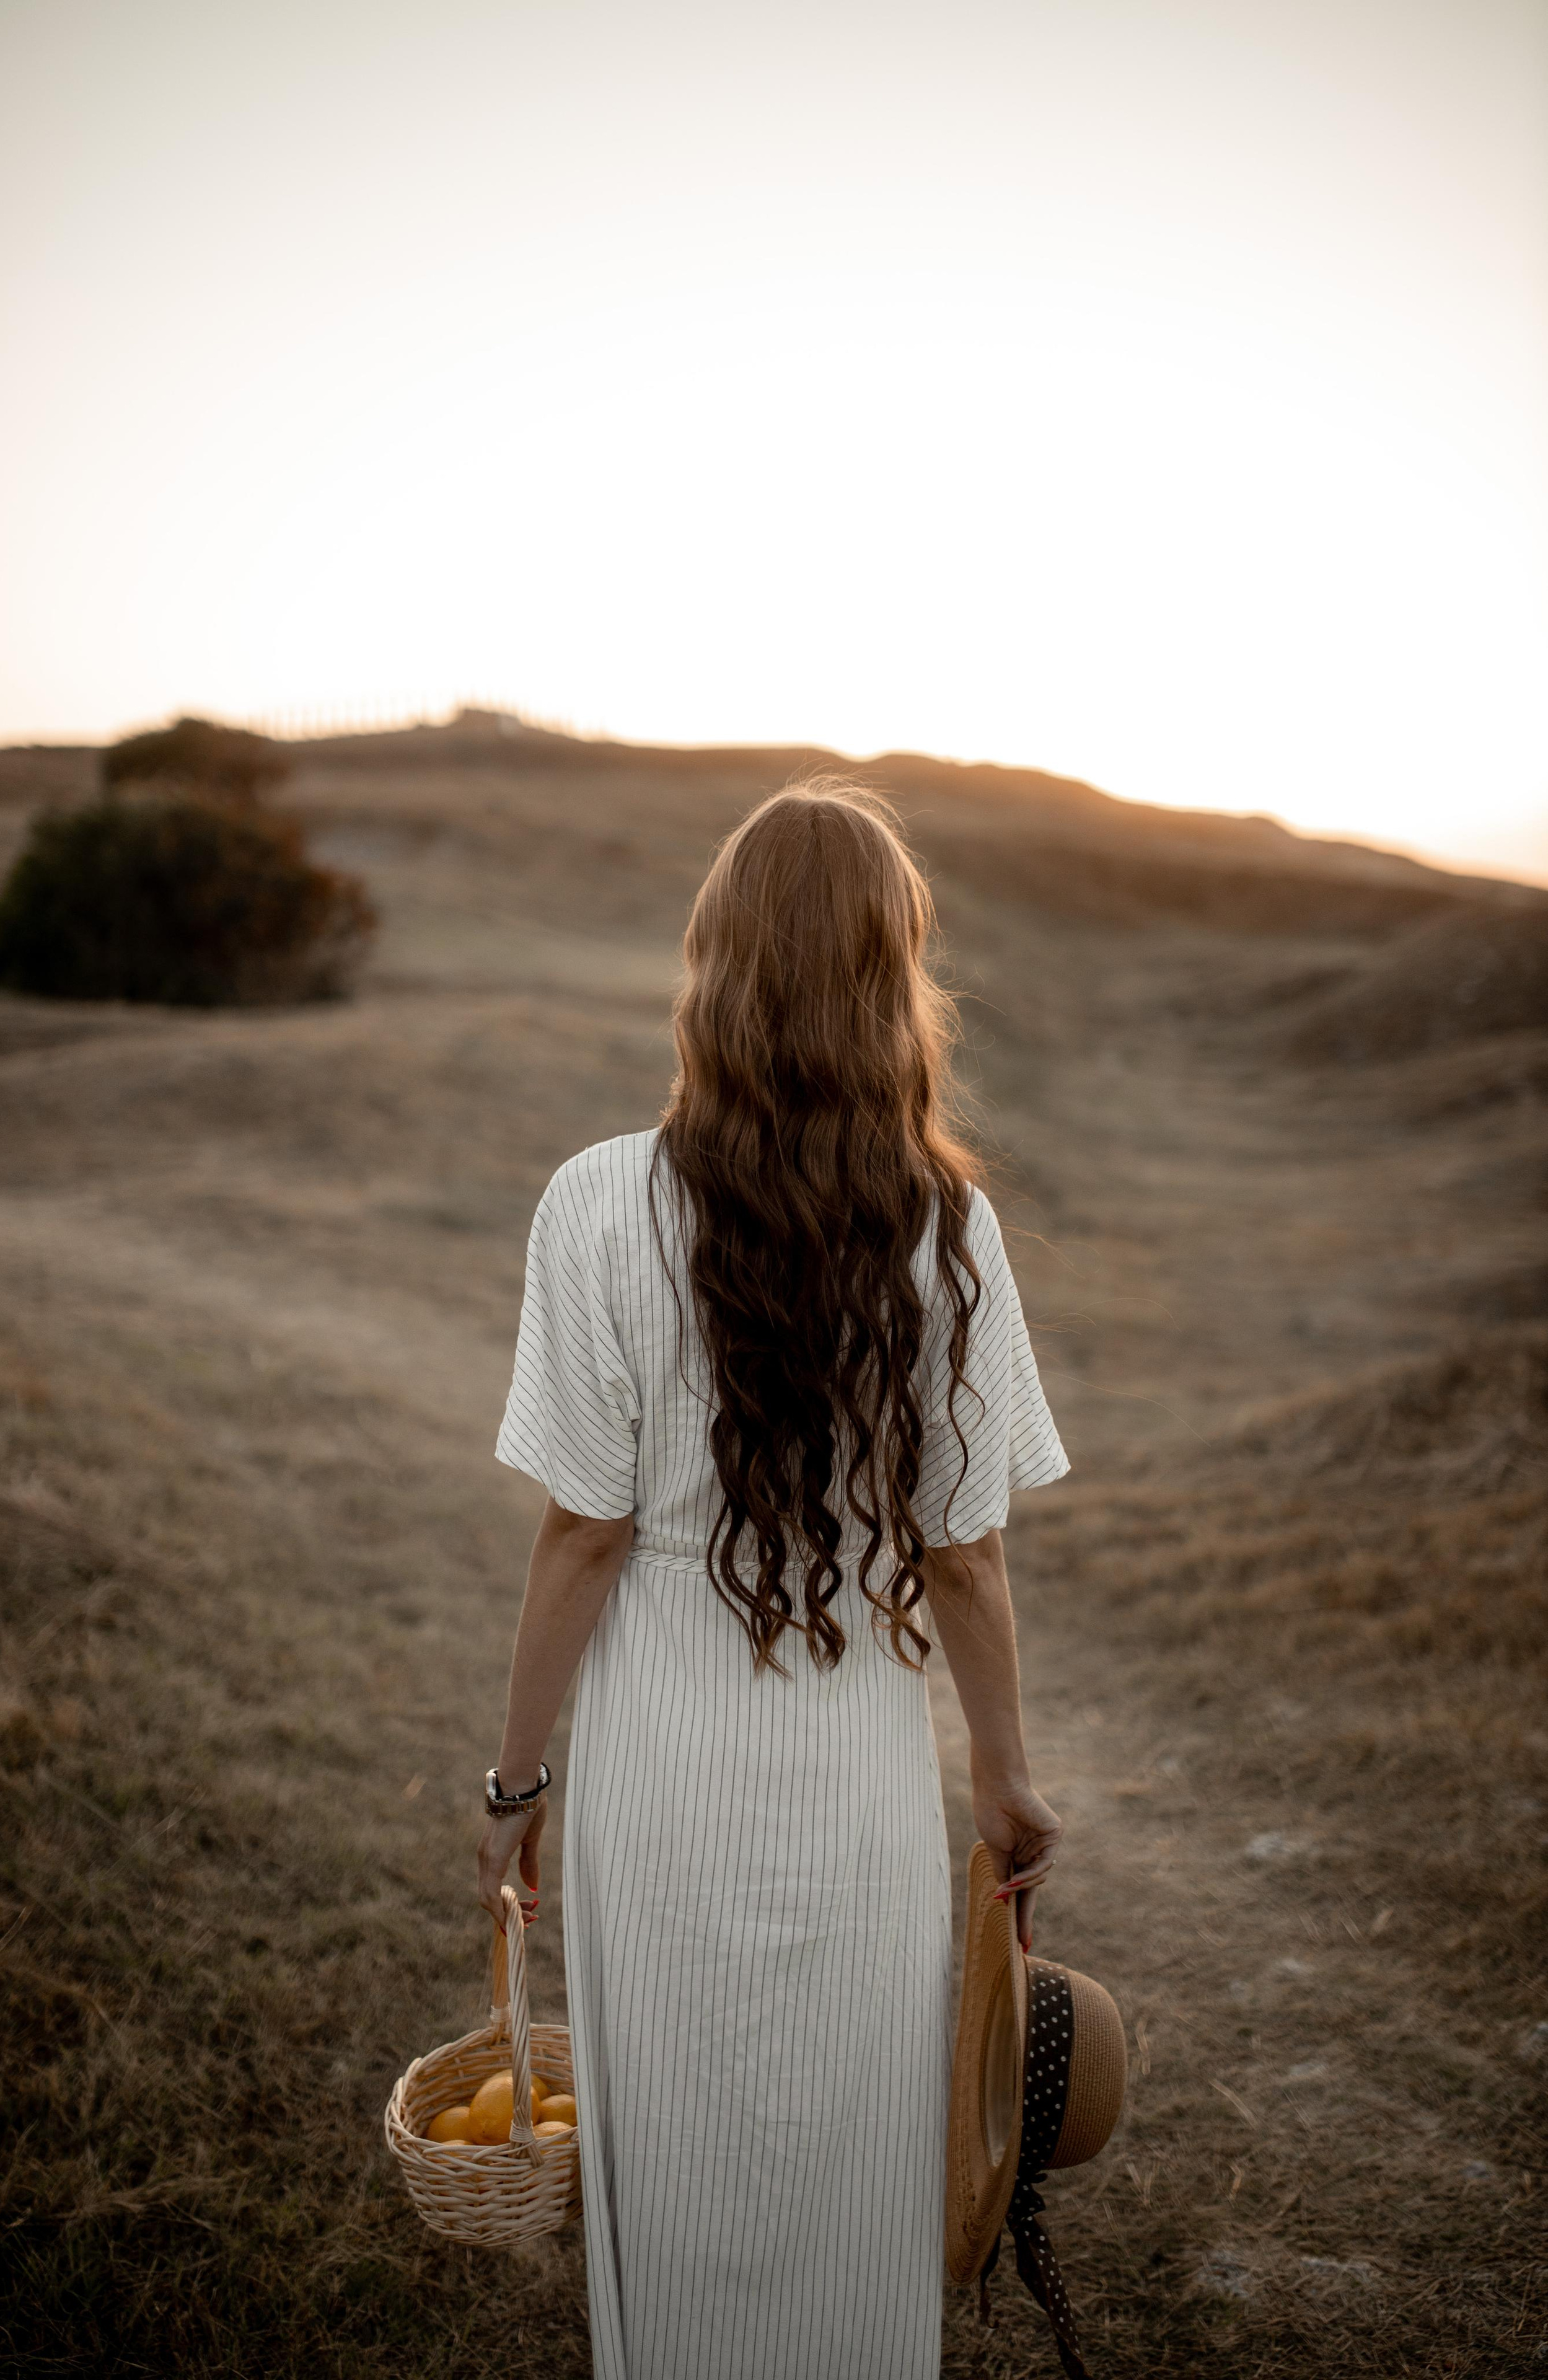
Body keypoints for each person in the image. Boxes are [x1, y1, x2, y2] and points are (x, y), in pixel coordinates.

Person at [479, 780, 1068, 2380]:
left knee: (671, 2170)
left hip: (657, 1771)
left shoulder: (598, 1203)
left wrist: (513, 1782)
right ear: (895, 980)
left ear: (711, 966)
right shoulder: (950, 1229)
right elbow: (965, 1551)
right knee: (857, 2170)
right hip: (856, 1776)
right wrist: (1005, 1778)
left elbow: (586, 1533)